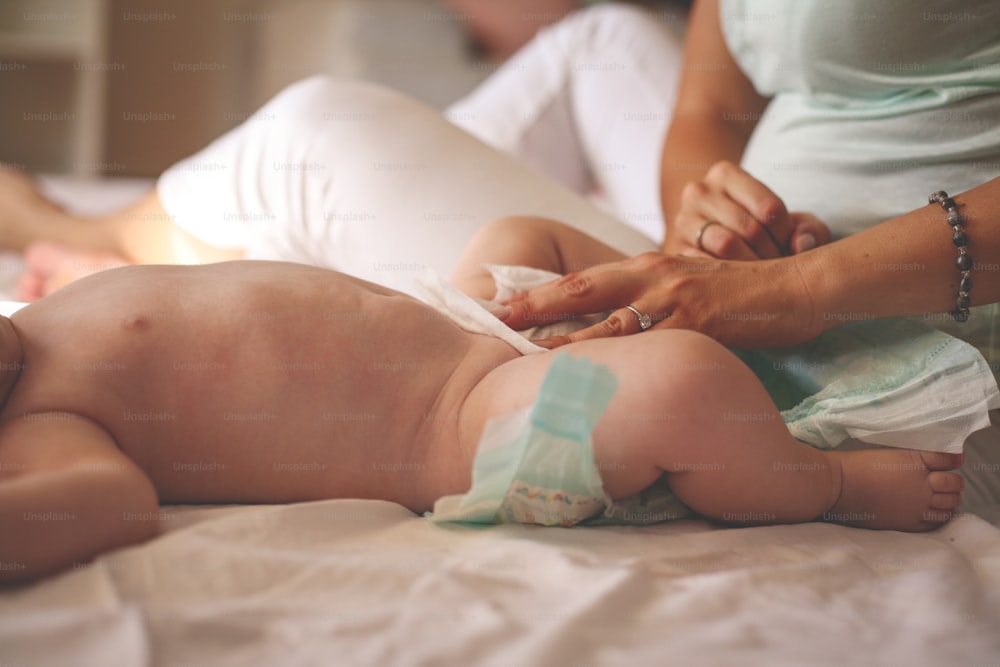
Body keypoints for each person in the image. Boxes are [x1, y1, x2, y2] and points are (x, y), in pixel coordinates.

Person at [0, 214, 965, 586]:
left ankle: (696, 293)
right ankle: (822, 477)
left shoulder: (41, 322)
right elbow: (106, 502)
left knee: (526, 233)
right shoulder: (45, 426)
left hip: (456, 321)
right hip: (463, 422)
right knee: (681, 384)